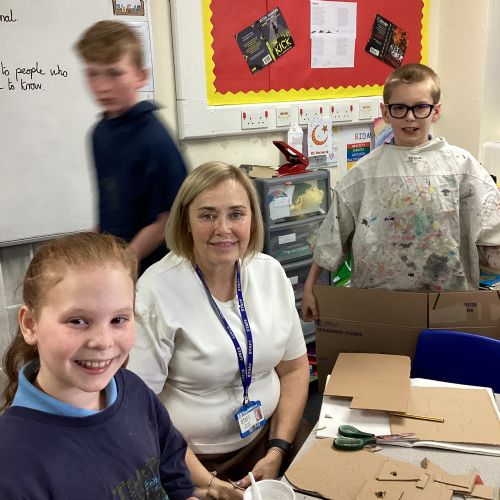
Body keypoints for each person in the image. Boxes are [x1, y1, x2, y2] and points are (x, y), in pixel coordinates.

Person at [128, 162, 310, 498]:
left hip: (270, 440)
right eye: (207, 215)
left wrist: (278, 450)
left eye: (236, 214)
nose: (223, 228)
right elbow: (140, 408)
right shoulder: (155, 291)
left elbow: (295, 369)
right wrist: (208, 484)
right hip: (190, 461)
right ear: (186, 221)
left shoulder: (270, 273)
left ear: (252, 218)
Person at [0, 233, 196, 500]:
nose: (103, 342)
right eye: (77, 321)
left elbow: (171, 465)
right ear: (30, 324)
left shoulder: (133, 389)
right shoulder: (12, 465)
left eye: (118, 319)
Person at [302, 63, 500, 321]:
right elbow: (332, 237)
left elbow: (491, 234)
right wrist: (310, 287)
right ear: (386, 112)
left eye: (420, 107)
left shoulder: (463, 168)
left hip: (450, 304)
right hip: (381, 305)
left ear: (436, 111)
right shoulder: (363, 174)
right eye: (400, 108)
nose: (410, 117)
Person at [75, 21, 187, 274]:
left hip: (157, 270)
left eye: (114, 73)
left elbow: (167, 220)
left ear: (140, 76)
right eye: (92, 73)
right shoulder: (99, 134)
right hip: (119, 263)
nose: (102, 86)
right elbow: (111, 204)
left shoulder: (155, 139)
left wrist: (123, 263)